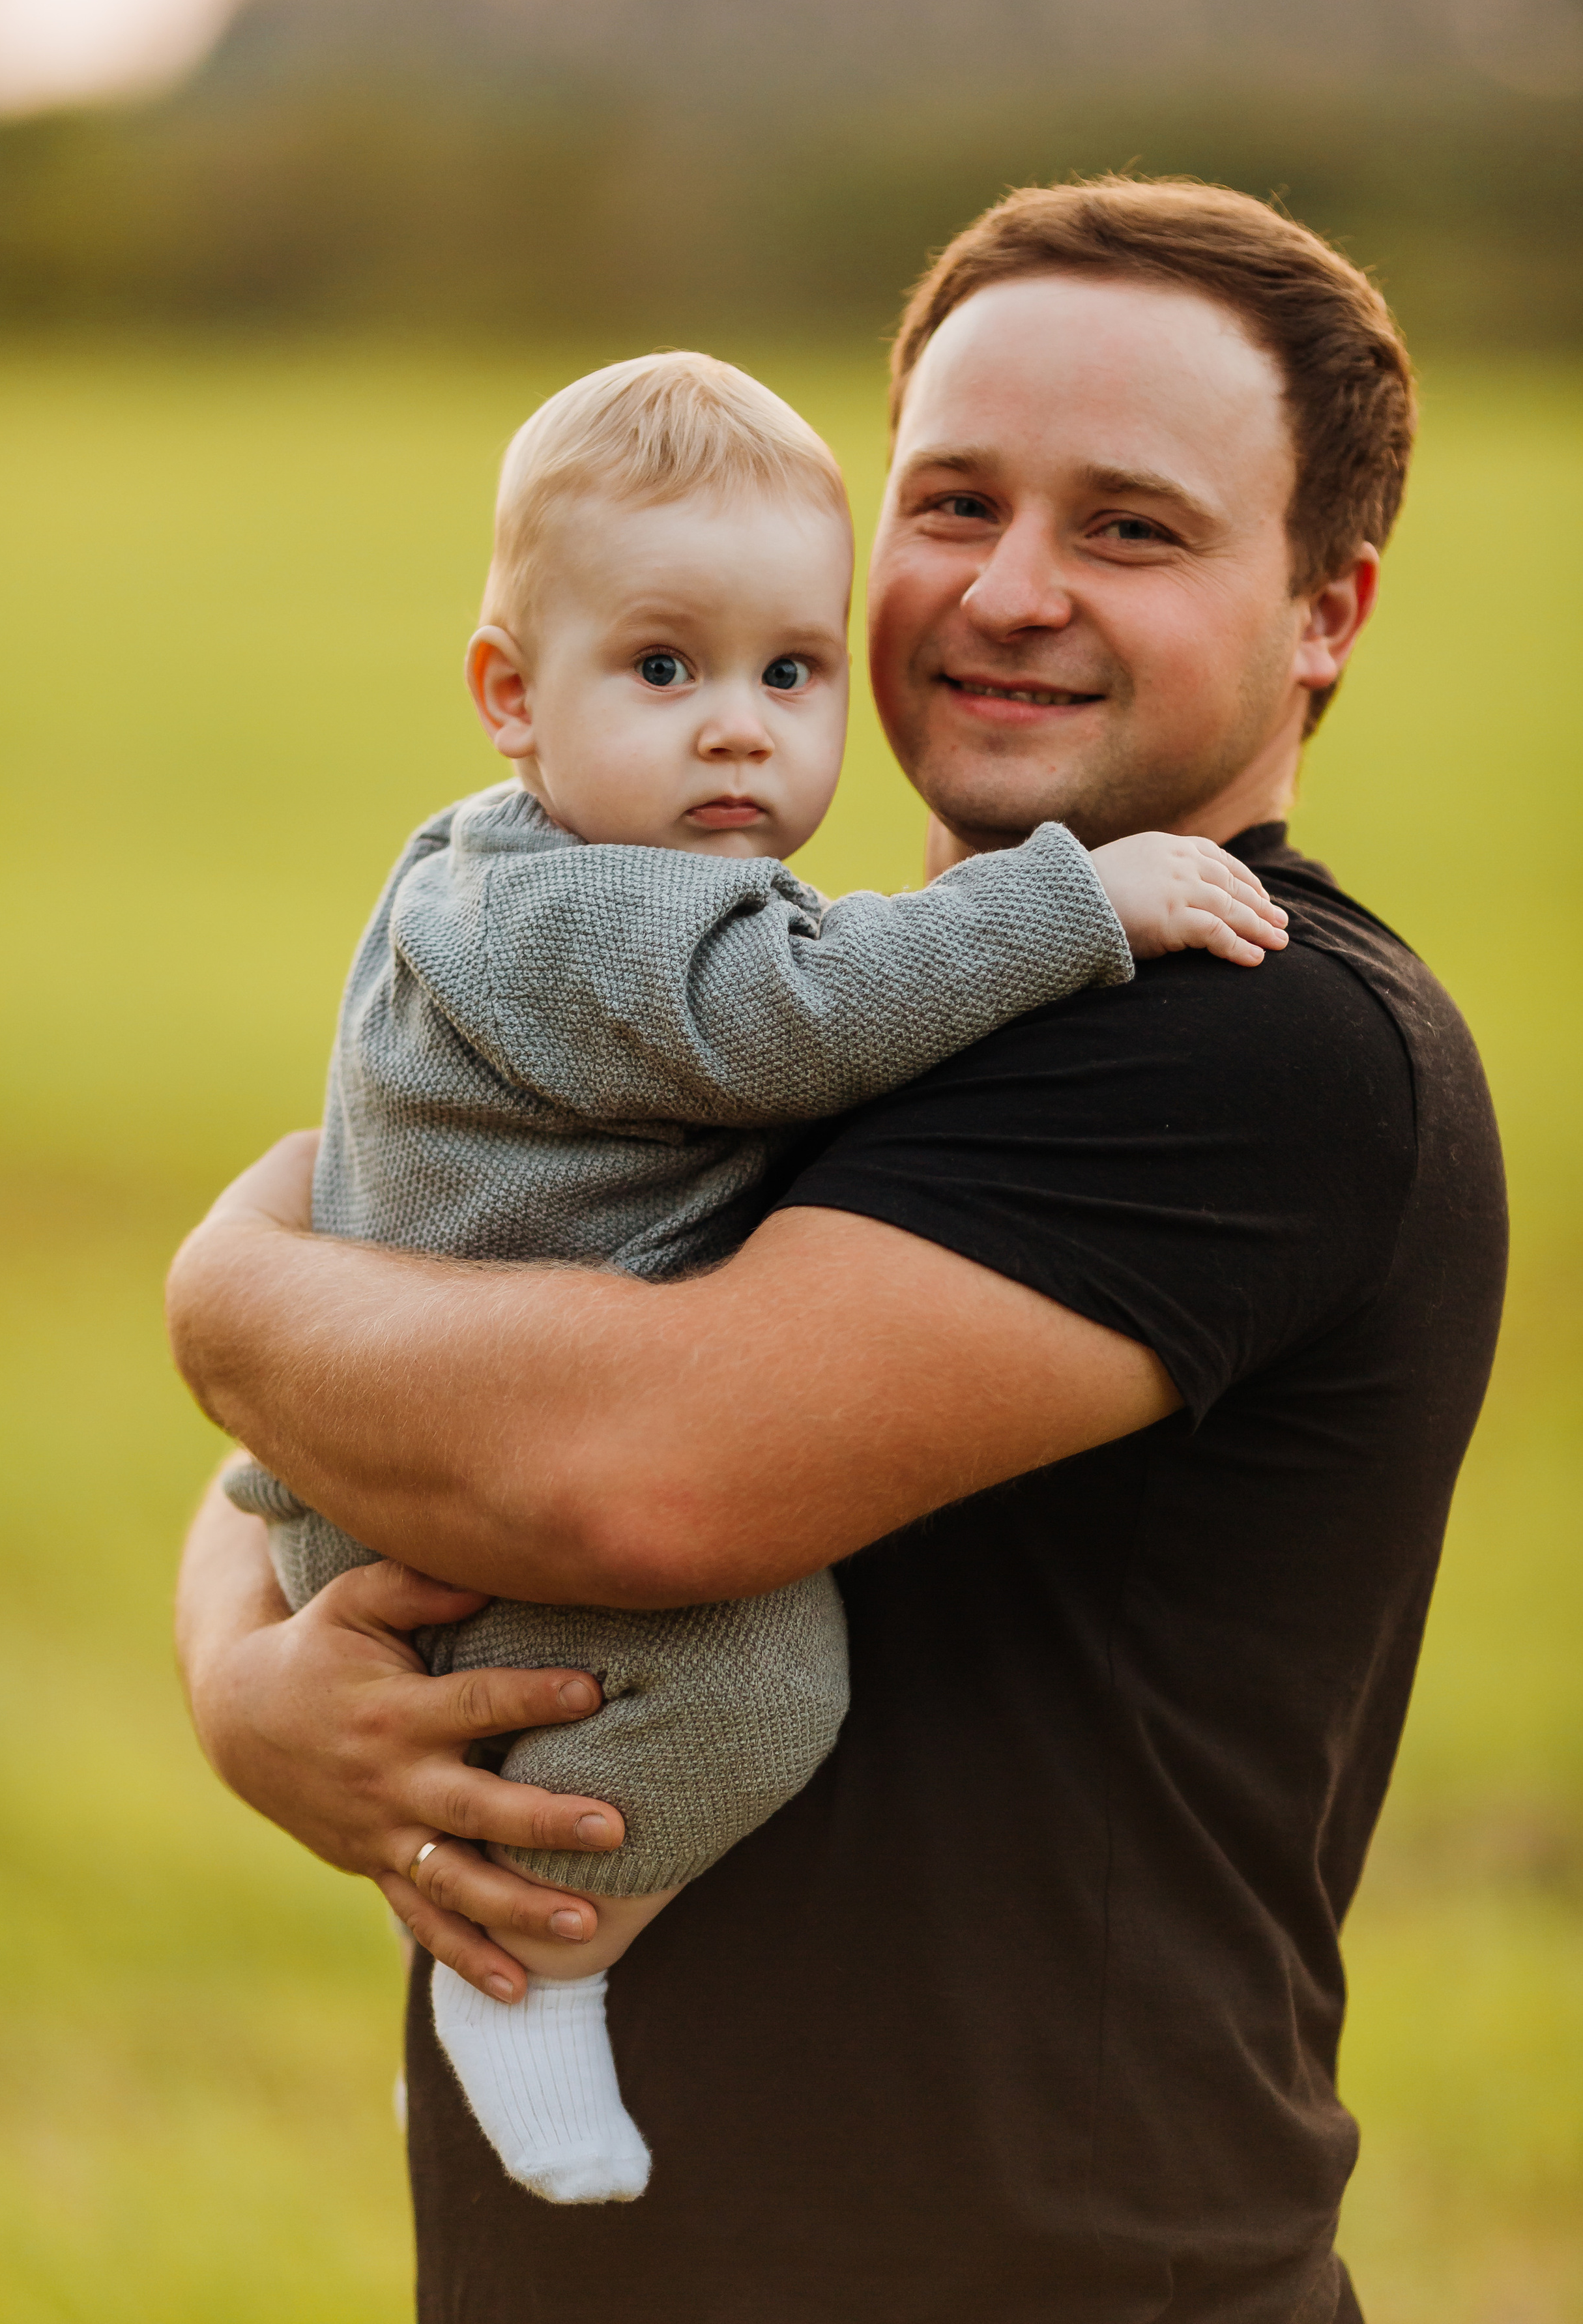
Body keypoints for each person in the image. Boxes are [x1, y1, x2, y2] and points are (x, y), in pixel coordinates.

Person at [170, 176, 1507, 2322]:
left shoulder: (1253, 1037)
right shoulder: (791, 994)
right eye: (954, 502)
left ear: (1328, 611)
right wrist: (252, 1687)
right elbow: (373, 1406)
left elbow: (625, 1470)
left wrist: (228, 1293)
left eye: (1134, 528)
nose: (1012, 590)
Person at [217, 345, 1281, 2204]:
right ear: (507, 695)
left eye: (786, 675)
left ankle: (486, 1969)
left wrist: (228, 1305)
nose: (739, 728)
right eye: (664, 668)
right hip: (483, 1506)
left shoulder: (488, 869)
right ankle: (532, 1971)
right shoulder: (604, 911)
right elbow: (787, 1018)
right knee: (764, 1685)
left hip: (394, 1451)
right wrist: (1072, 900)